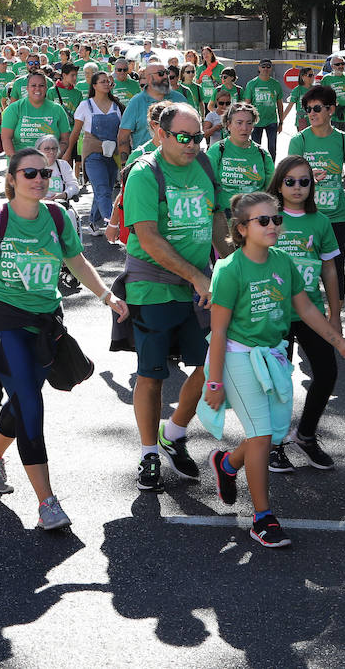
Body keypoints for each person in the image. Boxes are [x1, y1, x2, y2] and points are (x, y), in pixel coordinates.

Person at [0, 147, 129, 530]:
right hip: (2, 321)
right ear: (12, 180)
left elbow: (77, 261)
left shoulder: (59, 216)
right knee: (31, 405)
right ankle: (47, 503)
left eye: (45, 174)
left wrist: (106, 295)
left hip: (45, 321)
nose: (38, 180)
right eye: (30, 174)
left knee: (22, 403)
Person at [202, 192, 345, 549]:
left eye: (276, 219)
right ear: (241, 229)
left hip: (272, 357)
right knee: (260, 435)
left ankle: (227, 464)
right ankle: (262, 518)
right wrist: (214, 379)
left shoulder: (283, 263)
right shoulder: (229, 269)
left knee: (270, 435)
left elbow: (305, 309)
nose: (273, 225)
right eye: (263, 220)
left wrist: (339, 342)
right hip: (239, 358)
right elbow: (220, 330)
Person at [122, 103, 216, 492]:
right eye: (184, 137)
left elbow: (221, 218)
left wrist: (227, 268)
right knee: (153, 374)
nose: (193, 144)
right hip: (154, 287)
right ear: (161, 135)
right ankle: (147, 453)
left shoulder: (206, 166)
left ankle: (173, 432)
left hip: (200, 286)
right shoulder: (145, 173)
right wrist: (196, 276)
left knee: (213, 365)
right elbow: (147, 237)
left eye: (198, 137)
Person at [265, 155, 343, 473]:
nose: (298, 187)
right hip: (274, 314)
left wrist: (335, 314)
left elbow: (330, 269)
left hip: (310, 312)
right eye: (290, 181)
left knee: (327, 373)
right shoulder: (268, 217)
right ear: (280, 183)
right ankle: (273, 444)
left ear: (312, 185)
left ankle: (306, 435)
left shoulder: (320, 222)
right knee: (279, 380)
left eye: (304, 182)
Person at [287, 85, 345, 300]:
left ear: (331, 110)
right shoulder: (299, 141)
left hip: (337, 217)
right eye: (307, 109)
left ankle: (335, 321)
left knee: (336, 270)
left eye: (317, 108)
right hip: (306, 217)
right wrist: (307, 178)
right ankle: (307, 321)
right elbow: (288, 182)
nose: (311, 114)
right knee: (305, 271)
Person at [206, 101, 274, 255]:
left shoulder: (262, 154)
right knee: (231, 268)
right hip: (223, 220)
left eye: (249, 123)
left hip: (256, 220)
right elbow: (206, 184)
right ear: (228, 125)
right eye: (239, 123)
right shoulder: (218, 150)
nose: (244, 128)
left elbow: (272, 190)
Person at [69, 70, 122, 235]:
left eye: (108, 81)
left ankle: (93, 222)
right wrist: (68, 153)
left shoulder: (117, 105)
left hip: (113, 154)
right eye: (103, 81)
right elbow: (76, 132)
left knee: (103, 189)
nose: (107, 84)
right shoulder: (85, 105)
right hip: (93, 154)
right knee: (103, 189)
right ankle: (110, 224)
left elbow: (123, 132)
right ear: (94, 86)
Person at [118, 60, 188, 158]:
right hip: (145, 163)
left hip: (176, 161)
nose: (165, 77)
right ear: (149, 78)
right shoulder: (136, 102)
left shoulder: (179, 99)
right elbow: (123, 137)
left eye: (166, 73)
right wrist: (124, 163)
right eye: (161, 74)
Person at [0, 73, 72, 158]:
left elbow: (65, 140)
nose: (37, 88)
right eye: (33, 85)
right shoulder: (14, 108)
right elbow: (6, 138)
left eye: (41, 85)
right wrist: (16, 162)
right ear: (27, 88)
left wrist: (54, 156)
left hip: (49, 164)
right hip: (21, 164)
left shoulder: (57, 109)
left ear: (46, 88)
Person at [242, 59, 284, 154]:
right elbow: (247, 105)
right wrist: (247, 122)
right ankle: (258, 167)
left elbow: (280, 105)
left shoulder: (276, 84)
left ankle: (271, 168)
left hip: (271, 121)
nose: (265, 69)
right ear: (259, 68)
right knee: (256, 148)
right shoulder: (252, 84)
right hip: (256, 121)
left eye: (268, 66)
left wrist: (281, 122)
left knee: (272, 148)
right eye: (263, 66)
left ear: (271, 68)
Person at [280, 67, 316, 133]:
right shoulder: (297, 90)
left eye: (313, 75)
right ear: (303, 77)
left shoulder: (316, 89)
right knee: (303, 141)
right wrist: (281, 121)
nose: (312, 77)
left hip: (315, 120)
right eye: (310, 75)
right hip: (302, 120)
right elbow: (289, 107)